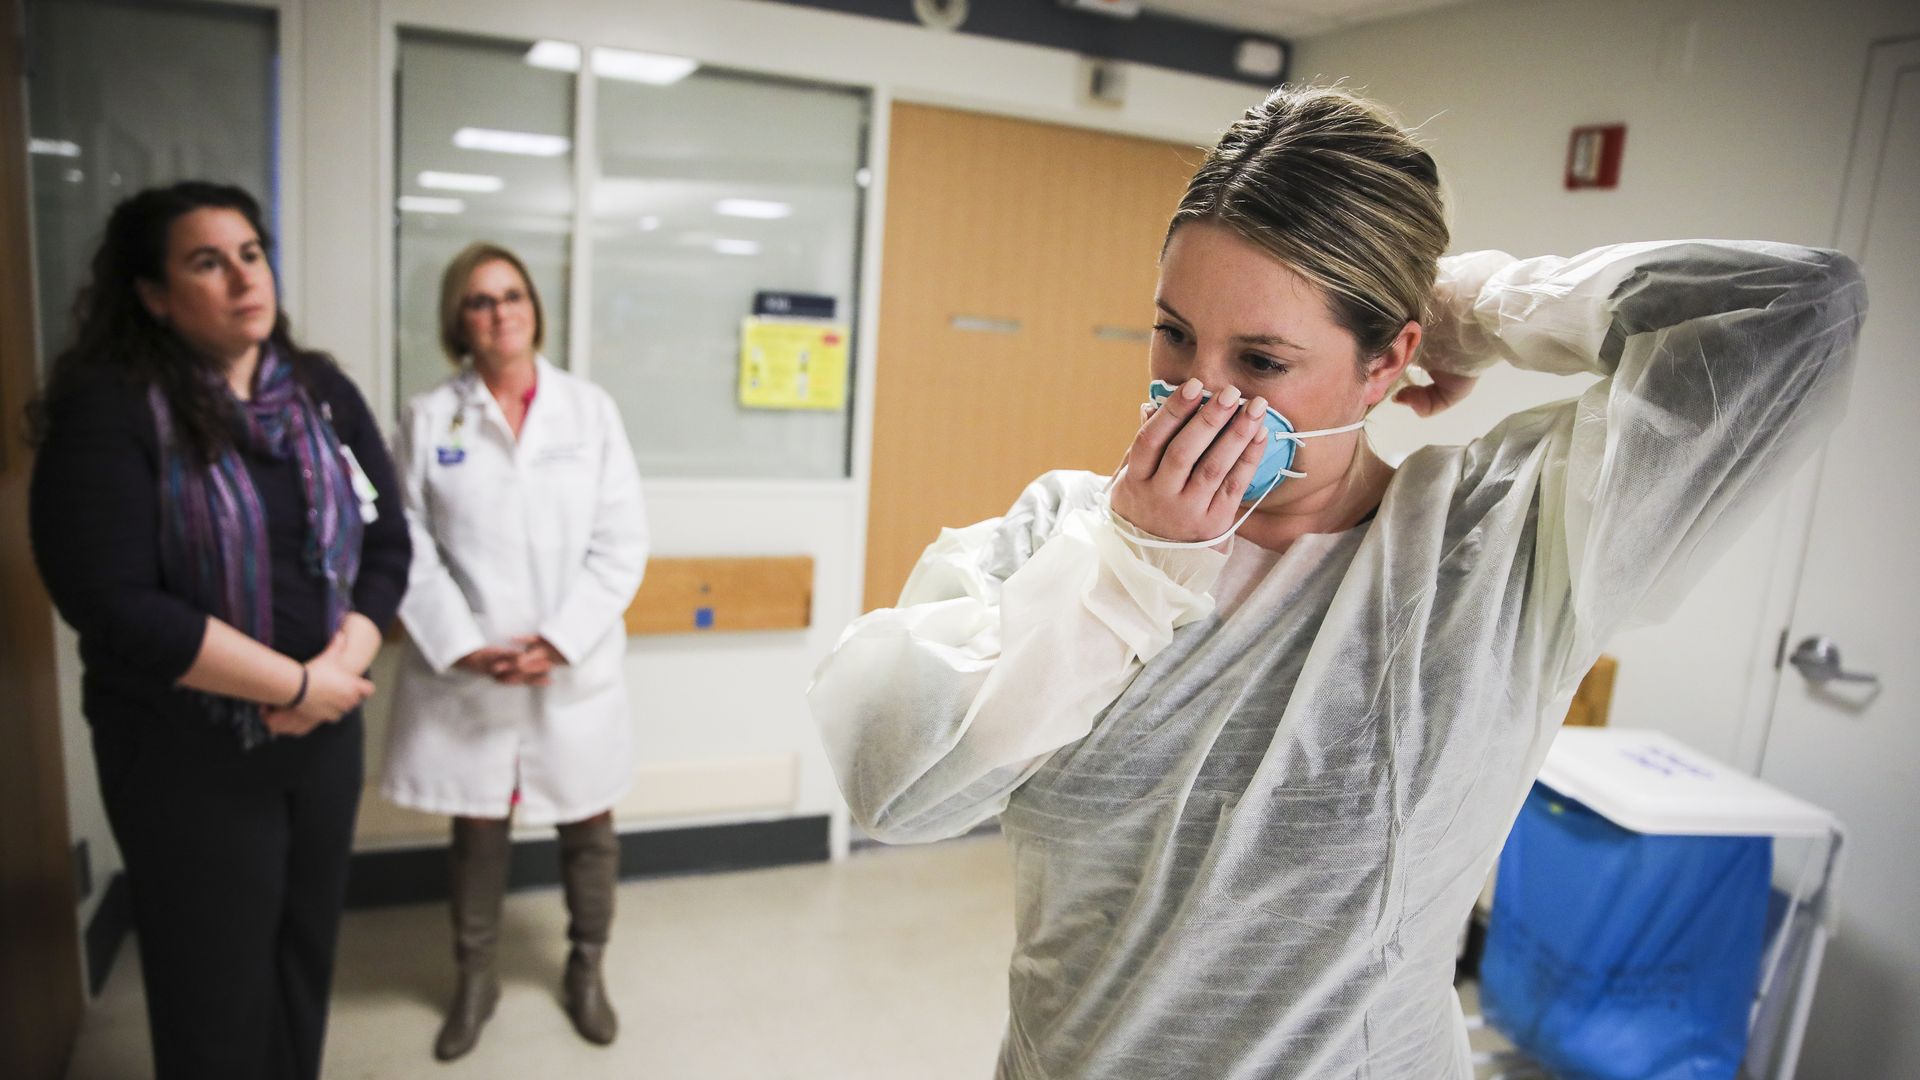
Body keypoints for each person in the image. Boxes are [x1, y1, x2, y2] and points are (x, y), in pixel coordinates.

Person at [808, 85, 1867, 1078]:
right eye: (1174, 335)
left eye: (1261, 361)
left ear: (1384, 362)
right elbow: (895, 783)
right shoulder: (1065, 540)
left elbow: (1795, 313)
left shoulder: (1492, 550)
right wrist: (1130, 573)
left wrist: (1478, 307)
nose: (1196, 394)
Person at [27, 181, 411, 1080]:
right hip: (185, 753)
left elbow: (388, 539)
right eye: (207, 261)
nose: (244, 276)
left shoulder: (319, 394)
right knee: (213, 987)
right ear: (153, 295)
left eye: (251, 252)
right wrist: (294, 687)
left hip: (320, 739)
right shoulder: (113, 409)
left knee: (300, 959)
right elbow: (113, 601)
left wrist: (341, 667)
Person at [382, 241, 648, 1059]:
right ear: (458, 322)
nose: (500, 311)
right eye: (479, 300)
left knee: (588, 822)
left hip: (571, 663)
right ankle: (475, 979)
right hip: (475, 668)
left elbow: (621, 540)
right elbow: (405, 543)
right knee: (478, 831)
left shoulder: (589, 410)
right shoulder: (431, 418)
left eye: (512, 295)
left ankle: (586, 968)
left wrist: (561, 641)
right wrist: (463, 646)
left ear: (534, 308)